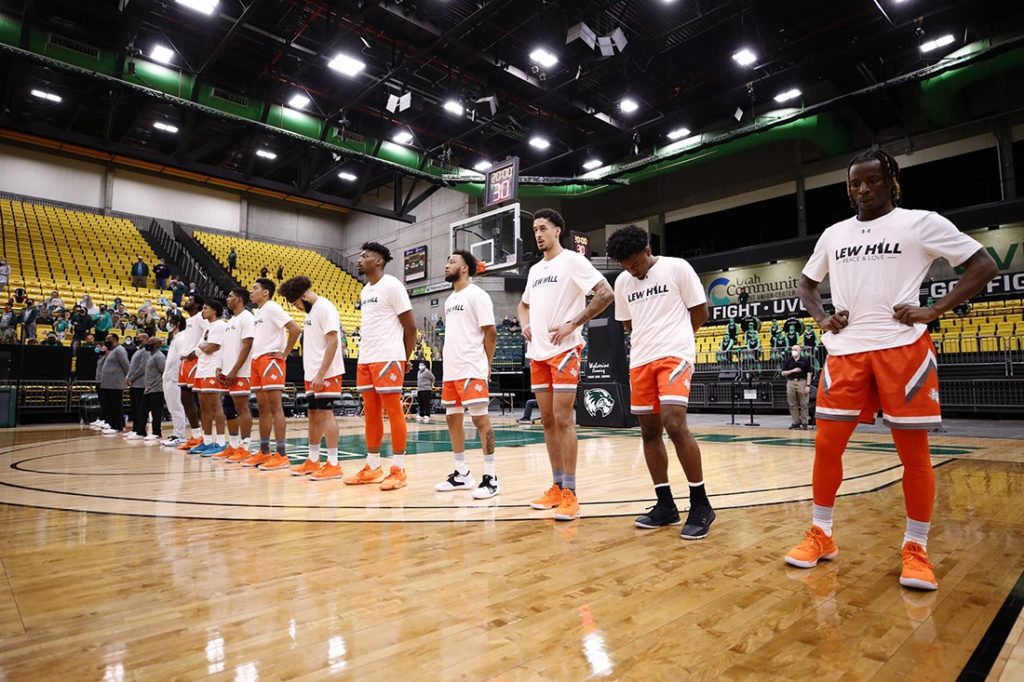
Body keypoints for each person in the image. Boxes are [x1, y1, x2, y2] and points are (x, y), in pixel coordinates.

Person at [784, 148, 999, 591]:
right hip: (845, 351)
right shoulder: (834, 234)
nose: (862, 189)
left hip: (902, 349)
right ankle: (821, 534)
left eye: (871, 181)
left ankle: (916, 548)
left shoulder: (921, 223)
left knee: (913, 455)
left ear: (891, 181)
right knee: (826, 446)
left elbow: (984, 264)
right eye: (854, 184)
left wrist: (935, 309)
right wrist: (823, 318)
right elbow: (806, 284)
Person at [607, 225, 716, 538]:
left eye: (636, 263)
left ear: (647, 250)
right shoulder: (623, 281)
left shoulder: (676, 267)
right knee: (649, 430)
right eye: (626, 266)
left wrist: (678, 340)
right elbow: (628, 323)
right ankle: (665, 504)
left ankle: (701, 505)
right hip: (641, 360)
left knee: (673, 421)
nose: (633, 270)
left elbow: (700, 312)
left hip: (674, 355)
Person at [518, 208, 614, 521]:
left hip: (564, 351)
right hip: (538, 353)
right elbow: (523, 305)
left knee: (562, 419)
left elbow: (605, 293)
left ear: (558, 230)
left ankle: (571, 491)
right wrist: (524, 324)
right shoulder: (534, 270)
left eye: (543, 228)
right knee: (546, 420)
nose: (539, 234)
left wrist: (574, 323)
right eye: (535, 230)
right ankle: (557, 486)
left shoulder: (573, 260)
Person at [344, 242, 417, 490]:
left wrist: (404, 358)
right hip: (366, 358)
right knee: (371, 414)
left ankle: (399, 469)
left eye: (365, 256)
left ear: (378, 261)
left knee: (394, 411)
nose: (360, 259)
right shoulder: (365, 291)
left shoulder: (393, 285)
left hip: (388, 357)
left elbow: (411, 328)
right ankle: (373, 466)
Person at [433, 250, 500, 498]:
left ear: (464, 268)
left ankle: (491, 477)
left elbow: (490, 332)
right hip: (451, 370)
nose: (446, 264)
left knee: (480, 421)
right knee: (452, 419)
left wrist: (487, 364)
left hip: (472, 366)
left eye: (451, 261)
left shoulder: (477, 295)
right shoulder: (450, 300)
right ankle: (462, 474)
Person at [279, 276, 345, 480]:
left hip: (326, 373)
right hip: (312, 373)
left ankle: (333, 463)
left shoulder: (325, 308)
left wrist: (321, 374)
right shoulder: (312, 312)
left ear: (305, 296)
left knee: (326, 414)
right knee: (313, 415)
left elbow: (333, 342)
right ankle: (313, 460)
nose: (297, 308)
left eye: (297, 303)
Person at [244, 278, 301, 470]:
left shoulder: (272, 307)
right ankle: (264, 451)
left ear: (266, 292)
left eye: (255, 288)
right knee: (262, 408)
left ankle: (282, 455)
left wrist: (284, 354)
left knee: (276, 407)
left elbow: (295, 329)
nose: (251, 292)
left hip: (271, 361)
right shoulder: (258, 312)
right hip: (257, 360)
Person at [217, 289, 256, 462]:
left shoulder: (247, 318)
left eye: (230, 296)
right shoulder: (230, 321)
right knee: (228, 409)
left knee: (242, 408)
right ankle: (233, 446)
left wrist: (234, 370)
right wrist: (219, 367)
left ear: (239, 299)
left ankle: (245, 447)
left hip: (241, 371)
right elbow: (224, 347)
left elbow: (247, 346)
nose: (227, 299)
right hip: (227, 372)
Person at [189, 299, 229, 456]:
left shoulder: (221, 325)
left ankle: (220, 441)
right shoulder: (207, 328)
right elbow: (200, 349)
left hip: (212, 368)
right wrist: (203, 348)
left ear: (214, 311)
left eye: (205, 308)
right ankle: (206, 441)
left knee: (215, 406)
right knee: (203, 407)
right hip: (201, 368)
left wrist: (202, 348)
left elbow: (213, 347)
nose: (202, 311)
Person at [176, 295, 208, 451]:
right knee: (185, 399)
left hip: (194, 360)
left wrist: (197, 352)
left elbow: (210, 334)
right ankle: (195, 436)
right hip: (184, 361)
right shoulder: (189, 320)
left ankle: (206, 437)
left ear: (197, 304)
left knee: (199, 399)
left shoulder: (201, 318)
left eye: (190, 299)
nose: (186, 301)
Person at [161, 316, 189, 448]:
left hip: (175, 378)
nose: (168, 324)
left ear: (177, 324)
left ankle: (180, 436)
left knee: (177, 407)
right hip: (168, 378)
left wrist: (176, 377)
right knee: (172, 408)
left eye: (170, 321)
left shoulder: (182, 337)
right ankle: (176, 433)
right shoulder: (174, 339)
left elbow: (181, 359)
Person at [96, 333, 129, 435]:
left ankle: (117, 426)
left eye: (108, 339)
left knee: (115, 405)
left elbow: (126, 366)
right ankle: (113, 424)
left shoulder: (120, 350)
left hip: (115, 384)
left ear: (114, 339)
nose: (106, 341)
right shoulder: (112, 351)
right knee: (110, 405)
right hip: (108, 384)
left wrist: (128, 378)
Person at [124, 332, 151, 440]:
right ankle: (135, 429)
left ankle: (141, 430)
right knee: (135, 408)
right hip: (134, 384)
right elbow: (132, 366)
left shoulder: (146, 351)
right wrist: (128, 377)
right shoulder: (138, 350)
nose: (137, 340)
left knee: (140, 409)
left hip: (140, 384)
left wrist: (131, 378)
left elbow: (142, 368)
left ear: (145, 339)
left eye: (139, 338)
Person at [781, 344, 811, 429]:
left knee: (803, 403)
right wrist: (793, 370)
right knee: (792, 403)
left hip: (802, 381)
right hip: (791, 382)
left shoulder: (805, 361)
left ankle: (805, 423)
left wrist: (808, 385)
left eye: (795, 349)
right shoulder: (788, 361)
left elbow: (809, 373)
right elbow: (783, 373)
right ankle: (795, 422)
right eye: (792, 349)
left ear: (800, 350)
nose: (793, 351)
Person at [141, 337, 166, 441]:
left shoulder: (159, 356)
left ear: (156, 345)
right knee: (142, 410)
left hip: (157, 389)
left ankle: (156, 432)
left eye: (150, 342)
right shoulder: (151, 355)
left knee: (156, 412)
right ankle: (140, 431)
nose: (147, 343)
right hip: (148, 388)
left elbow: (164, 371)